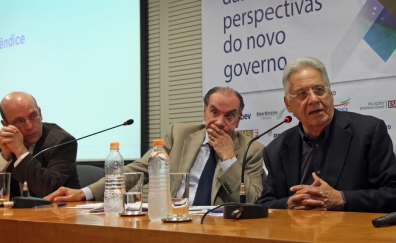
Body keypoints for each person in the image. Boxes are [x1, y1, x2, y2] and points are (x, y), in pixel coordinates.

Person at [45, 87, 264, 205]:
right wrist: (85, 193)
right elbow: (139, 169)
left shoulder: (252, 150)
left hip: (217, 229)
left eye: (229, 116)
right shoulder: (179, 134)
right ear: (204, 112)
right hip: (172, 220)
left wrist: (228, 159)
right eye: (214, 112)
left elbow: (253, 201)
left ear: (238, 120)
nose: (219, 122)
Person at [256, 57, 396, 213]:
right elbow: (264, 204)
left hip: (351, 228)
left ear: (330, 94)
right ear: (288, 104)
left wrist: (342, 199)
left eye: (319, 90)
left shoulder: (368, 132)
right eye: (302, 93)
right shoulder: (276, 150)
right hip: (298, 228)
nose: (313, 99)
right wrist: (288, 204)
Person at [0, 92, 80, 199]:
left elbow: (50, 191)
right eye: (20, 121)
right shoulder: (0, 144)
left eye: (33, 116)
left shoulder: (62, 141)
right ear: (6, 124)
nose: (29, 126)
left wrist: (20, 151)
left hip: (58, 209)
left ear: (40, 113)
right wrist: (4, 156)